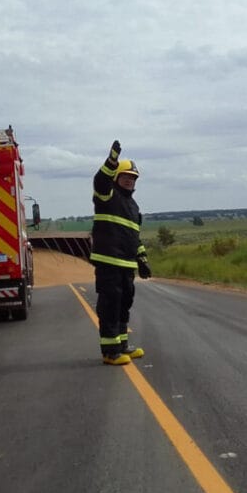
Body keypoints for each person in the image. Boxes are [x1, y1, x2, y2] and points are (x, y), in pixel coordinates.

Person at [90, 140, 152, 366]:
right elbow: (100, 181)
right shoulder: (107, 196)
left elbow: (134, 237)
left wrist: (142, 259)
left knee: (125, 304)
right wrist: (111, 161)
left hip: (126, 264)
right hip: (109, 263)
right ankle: (110, 352)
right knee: (110, 305)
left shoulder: (133, 207)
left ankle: (122, 345)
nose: (129, 180)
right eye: (125, 176)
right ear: (116, 177)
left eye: (133, 178)